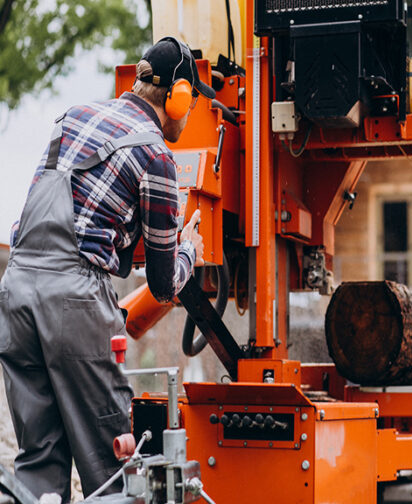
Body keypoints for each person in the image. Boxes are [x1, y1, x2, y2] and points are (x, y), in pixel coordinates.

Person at [0, 37, 213, 502]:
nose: (191, 111)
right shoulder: (156, 156)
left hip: (15, 290)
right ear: (177, 96)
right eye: (193, 101)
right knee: (113, 466)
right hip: (73, 302)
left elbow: (67, 217)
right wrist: (189, 251)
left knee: (39, 459)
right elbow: (161, 285)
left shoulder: (72, 117)